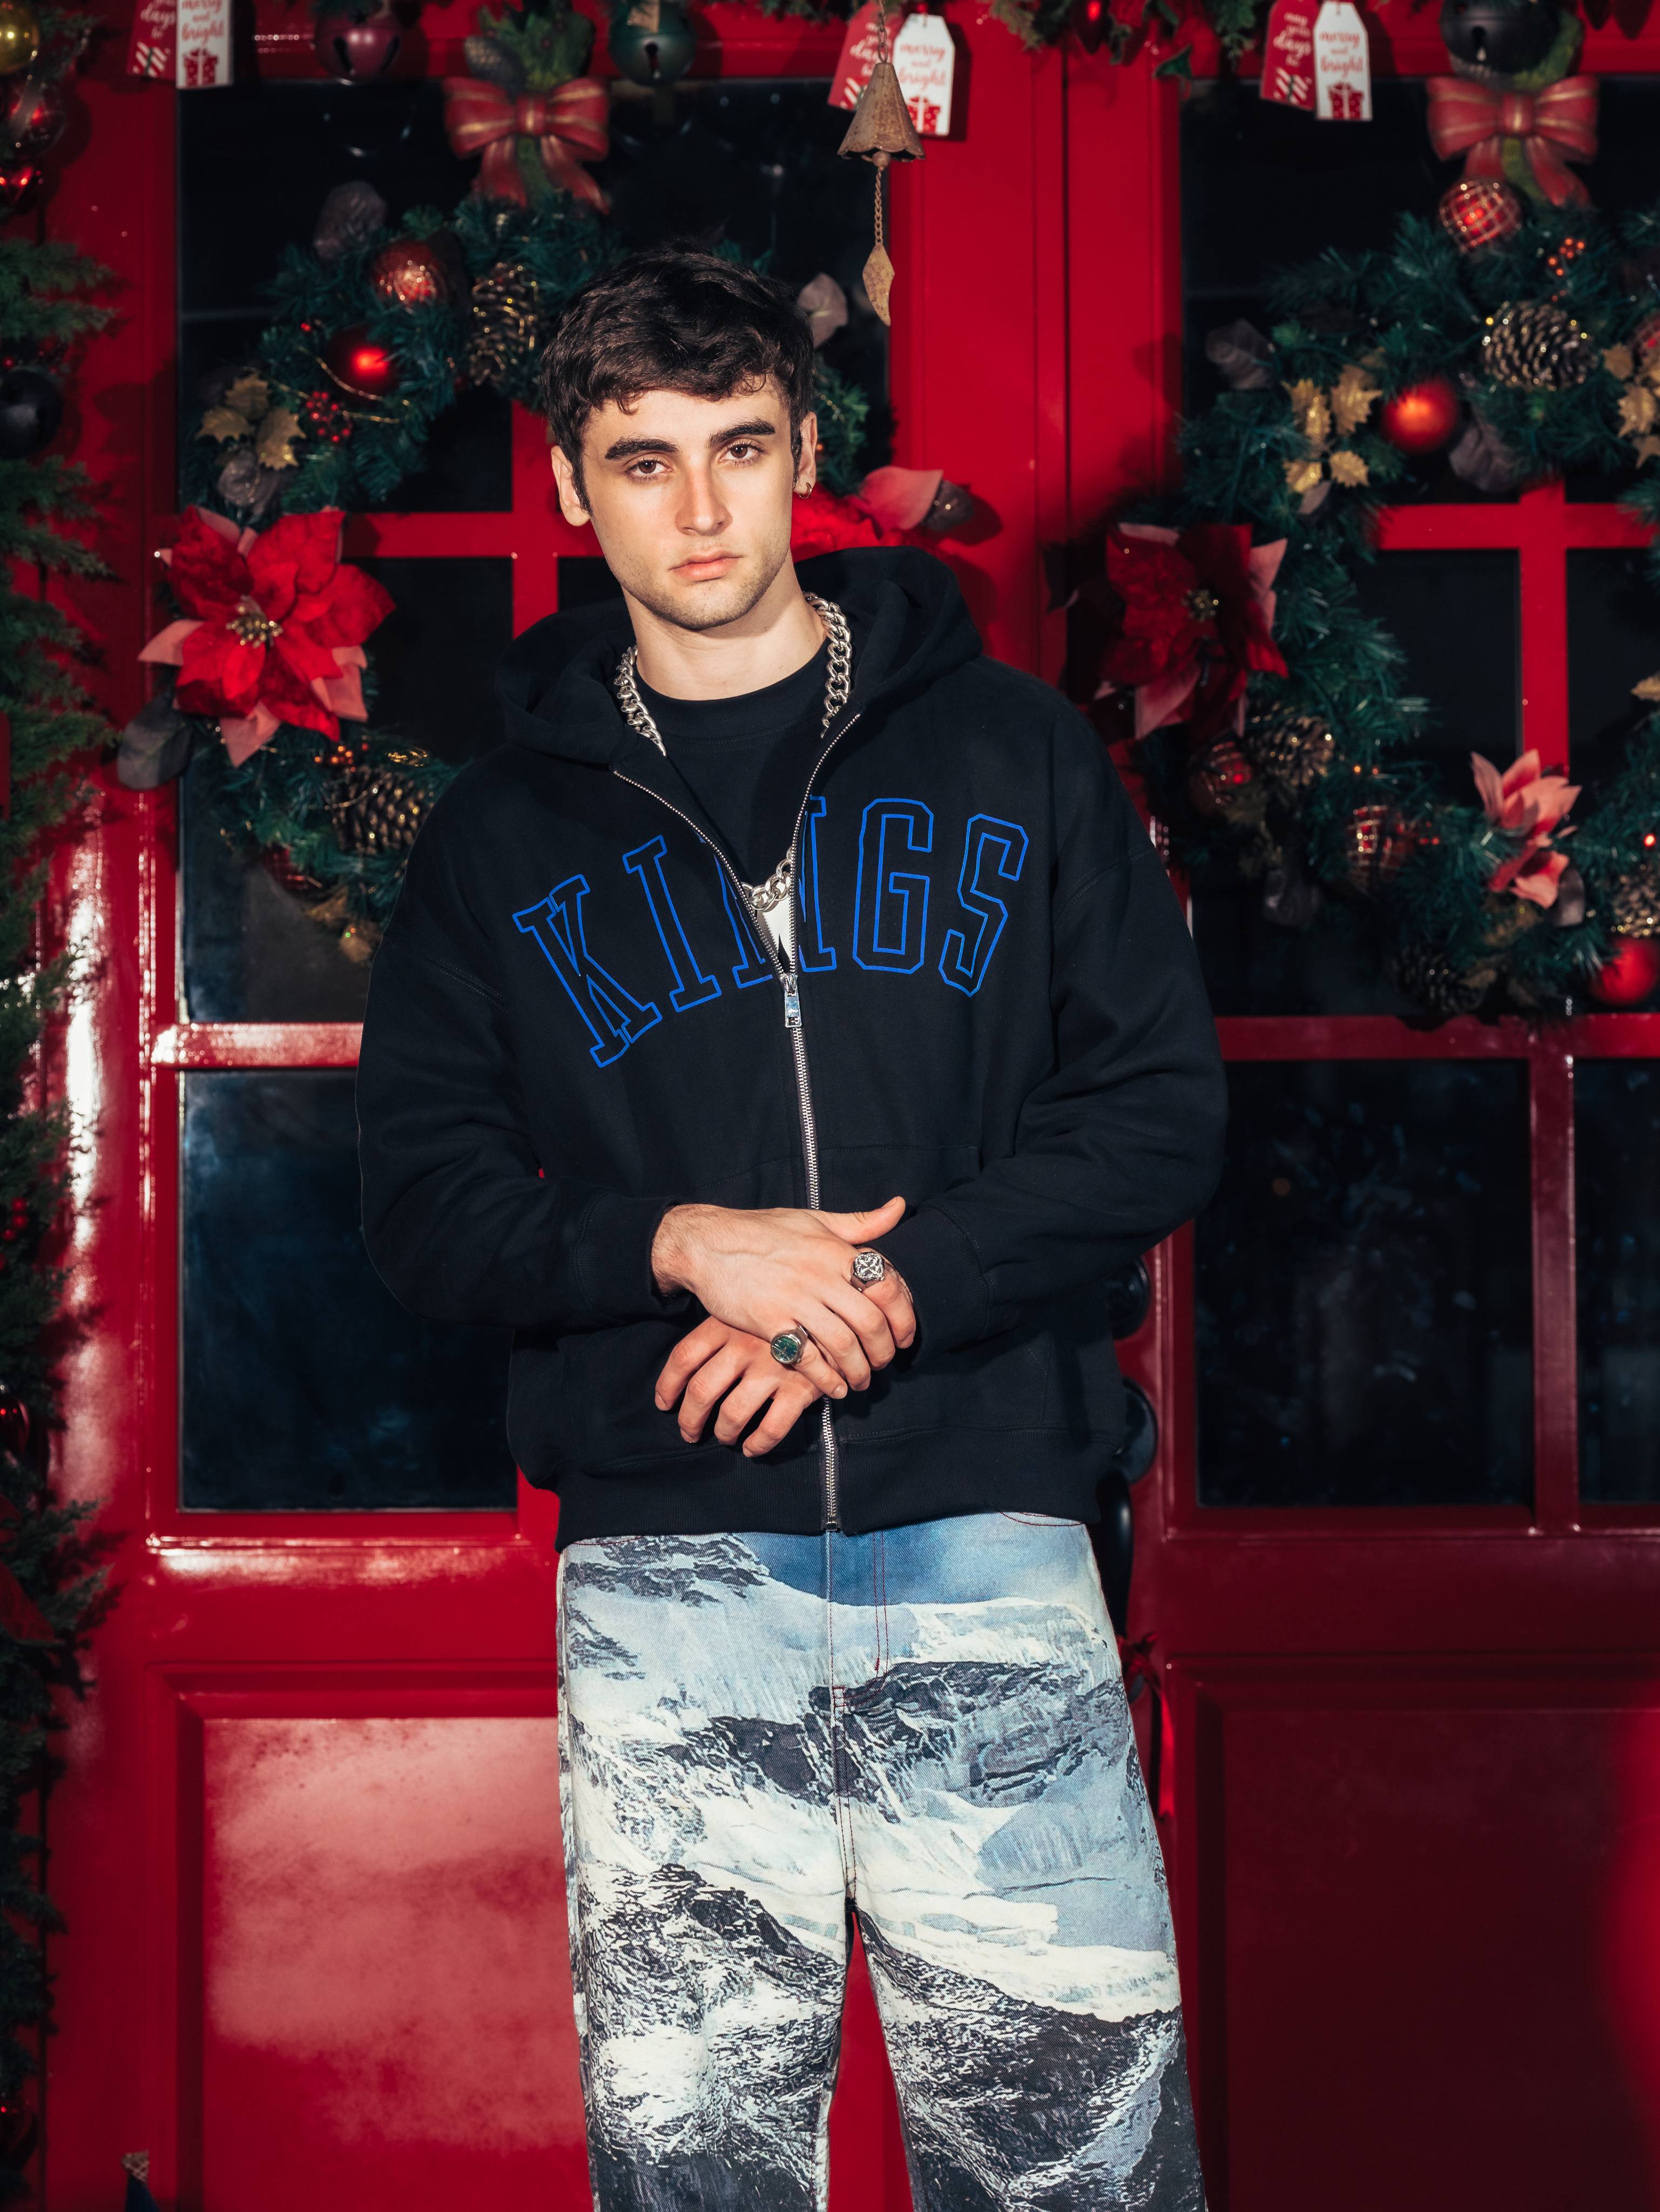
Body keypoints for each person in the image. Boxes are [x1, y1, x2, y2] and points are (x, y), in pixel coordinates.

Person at [357, 245, 1226, 2211]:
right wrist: (685, 1245)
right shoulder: (499, 837)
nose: (697, 508)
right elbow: (423, 1207)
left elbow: (1156, 1112)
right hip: (670, 1569)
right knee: (702, 2167)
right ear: (571, 488)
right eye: (640, 460)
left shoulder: (1011, 753)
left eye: (737, 447)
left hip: (989, 1526)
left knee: (1067, 2159)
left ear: (805, 454)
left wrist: (882, 1287)